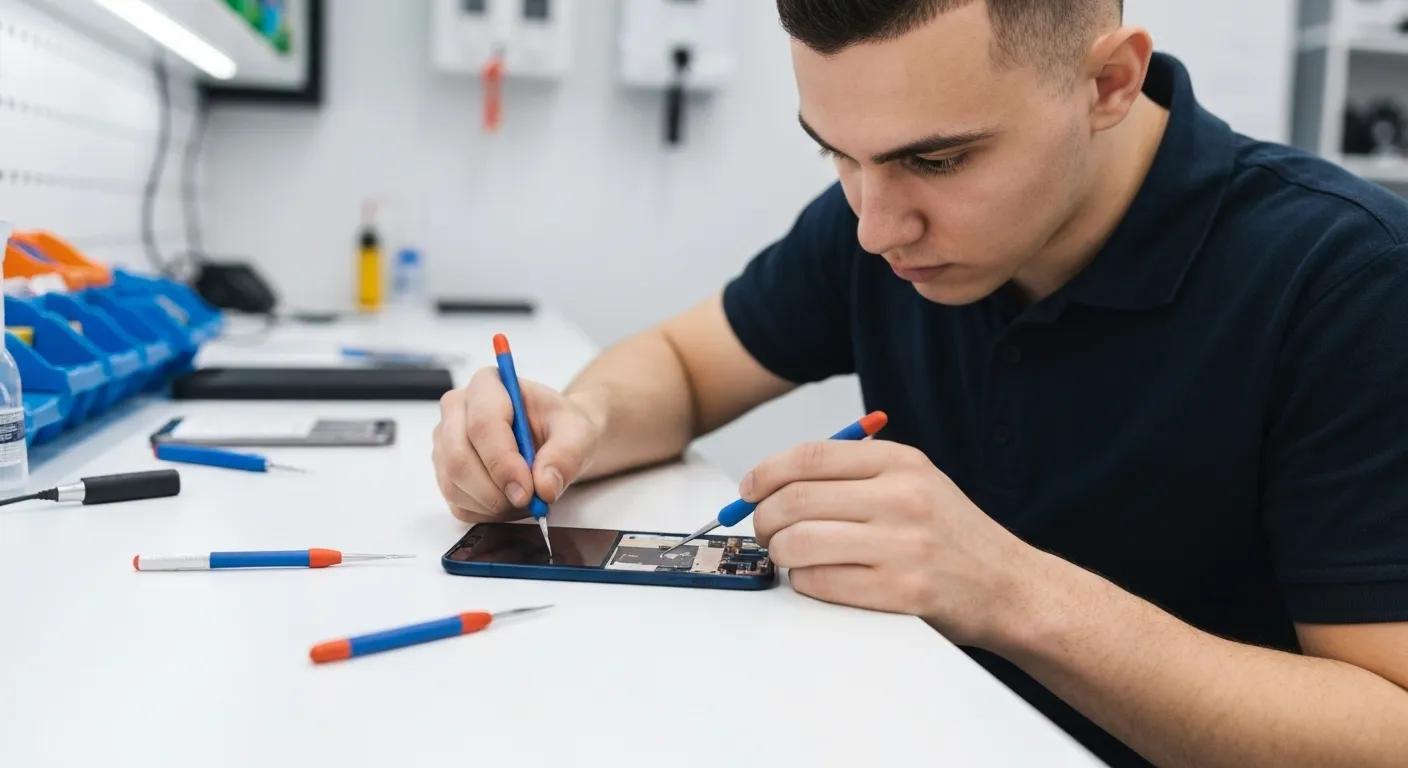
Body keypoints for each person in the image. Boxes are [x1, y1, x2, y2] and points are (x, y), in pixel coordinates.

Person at [431, 1, 1408, 765]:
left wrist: (1014, 594)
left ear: (1108, 81)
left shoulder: (1346, 279)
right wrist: (577, 421)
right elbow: (684, 368)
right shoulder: (884, 222)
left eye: (935, 160)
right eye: (834, 153)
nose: (873, 226)